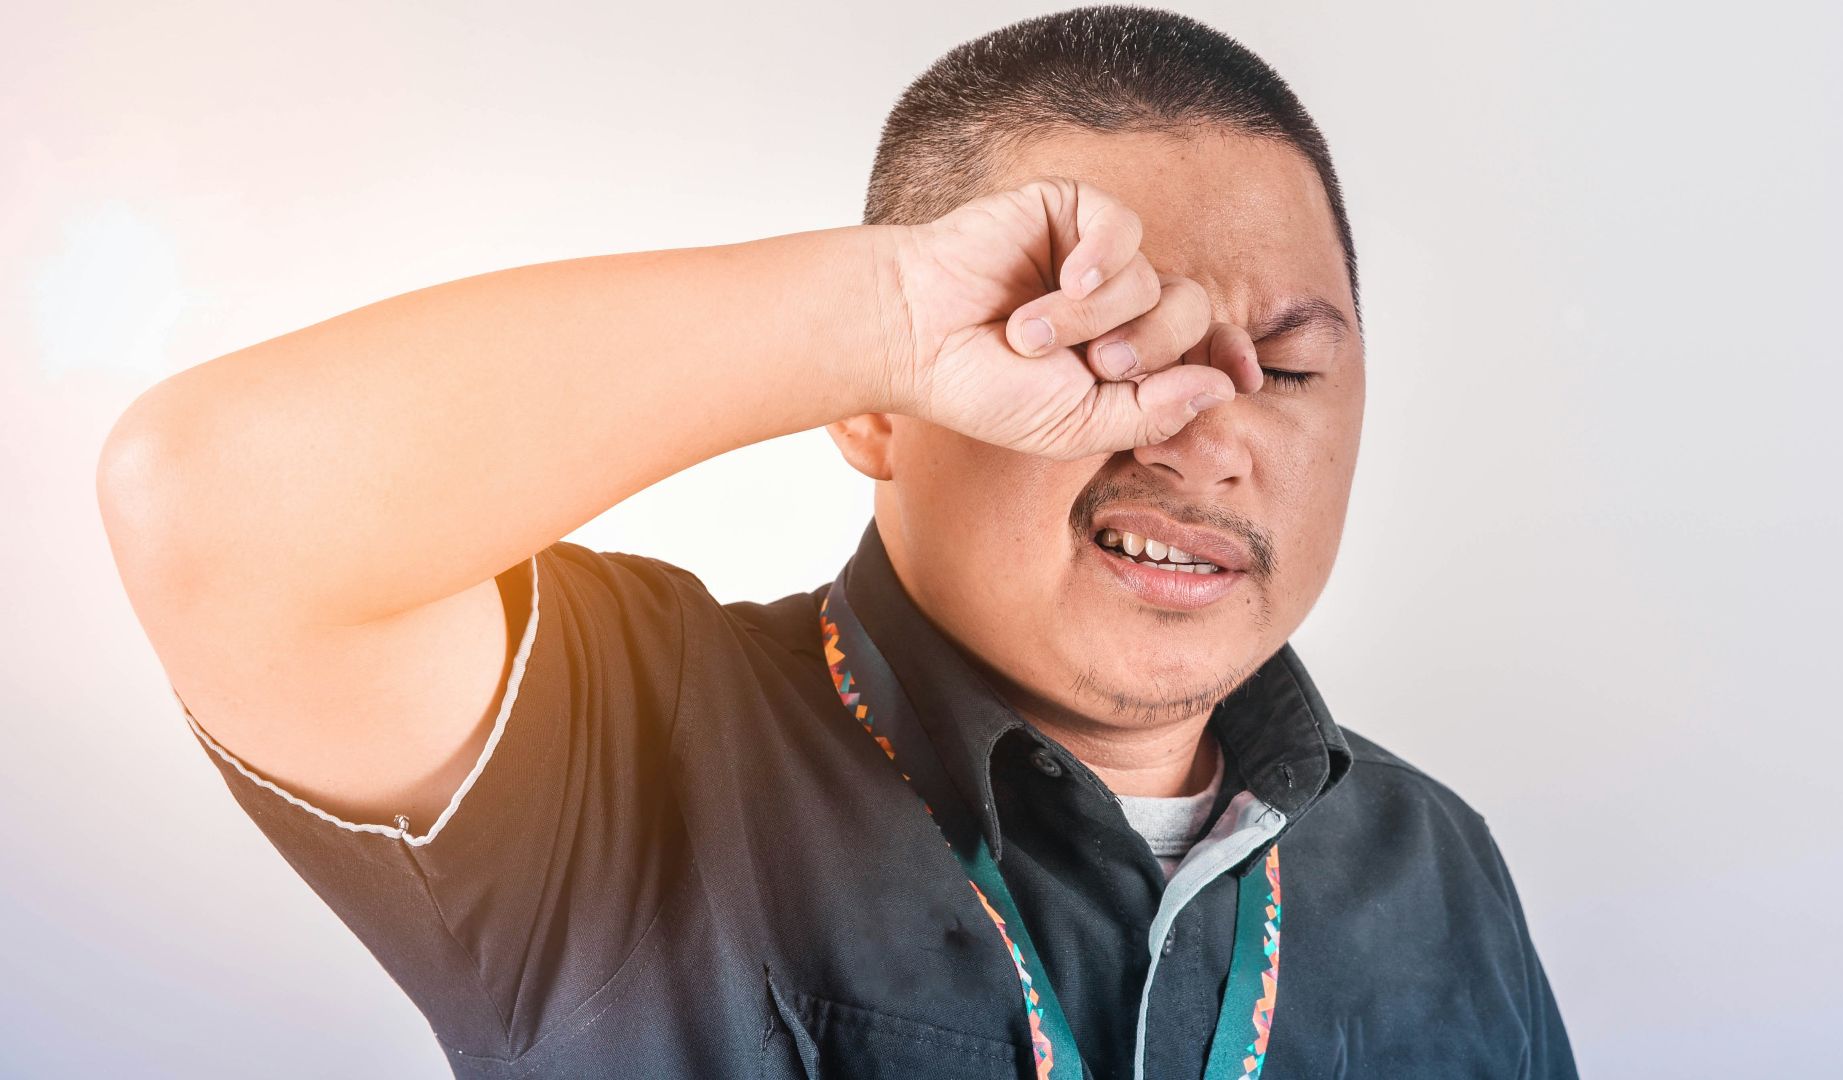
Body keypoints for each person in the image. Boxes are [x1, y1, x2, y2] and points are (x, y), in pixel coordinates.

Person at [96, 6, 1576, 1079]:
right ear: (875, 413)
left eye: (1290, 368)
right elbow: (207, 503)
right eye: (1103, 346)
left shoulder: (1433, 862)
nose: (1203, 427)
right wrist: (879, 320)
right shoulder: (624, 750)